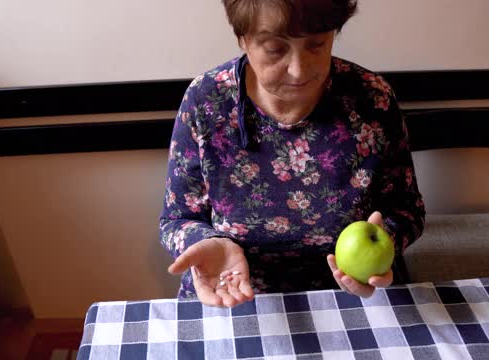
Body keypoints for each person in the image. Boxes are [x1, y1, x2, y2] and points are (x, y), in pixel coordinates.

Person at [159, 0, 425, 308]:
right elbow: (177, 218)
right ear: (243, 39)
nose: (299, 70)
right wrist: (205, 243)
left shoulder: (372, 99)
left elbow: (407, 210)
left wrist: (385, 242)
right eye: (275, 49)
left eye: (316, 45)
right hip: (231, 292)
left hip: (351, 297)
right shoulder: (206, 102)